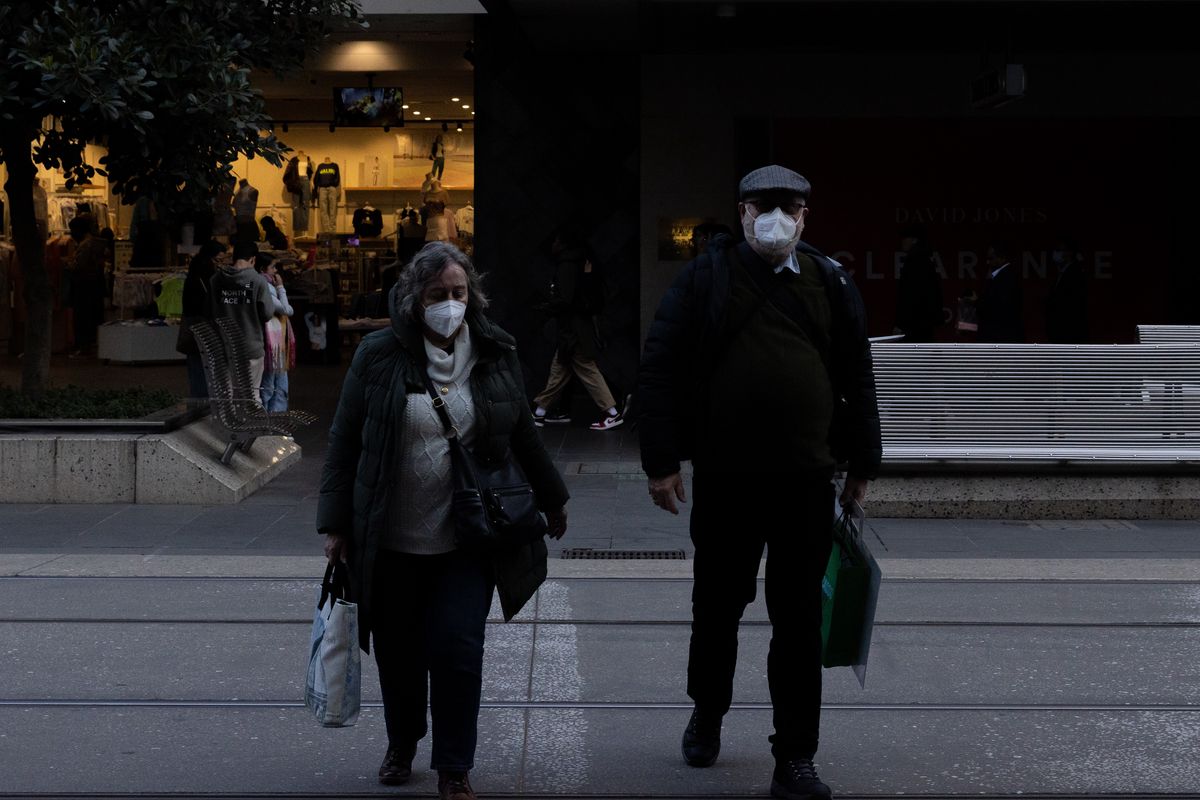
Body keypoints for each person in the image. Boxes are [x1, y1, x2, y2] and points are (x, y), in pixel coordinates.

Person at [636, 165, 881, 800]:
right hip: (726, 479)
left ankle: (795, 755)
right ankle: (707, 713)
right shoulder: (707, 276)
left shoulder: (830, 282)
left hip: (804, 482)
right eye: (761, 205)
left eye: (788, 206)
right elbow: (659, 366)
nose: (775, 217)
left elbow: (858, 373)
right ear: (741, 213)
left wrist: (861, 467)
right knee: (716, 610)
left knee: (798, 621)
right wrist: (661, 462)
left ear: (806, 216)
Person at [318, 241, 570, 800]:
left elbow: (523, 431)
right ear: (414, 300)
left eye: (458, 293)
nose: (449, 305)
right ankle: (402, 744)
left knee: (458, 651)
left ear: (471, 296)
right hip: (391, 540)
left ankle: (454, 766)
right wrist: (335, 524)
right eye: (437, 295)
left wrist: (554, 499)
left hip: (466, 538)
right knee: (400, 656)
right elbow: (344, 442)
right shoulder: (379, 355)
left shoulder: (494, 351)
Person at [531, 227, 624, 430]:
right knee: (560, 369)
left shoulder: (567, 265)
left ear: (563, 243)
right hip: (577, 327)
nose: (553, 244)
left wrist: (548, 306)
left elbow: (565, 299)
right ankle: (539, 412)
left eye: (556, 240)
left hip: (573, 329)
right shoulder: (582, 261)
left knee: (585, 370)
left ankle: (612, 413)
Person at [209, 240, 274, 402]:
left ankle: (228, 427)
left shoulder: (216, 279)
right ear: (253, 260)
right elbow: (267, 313)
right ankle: (252, 427)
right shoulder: (258, 281)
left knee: (226, 398)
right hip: (250, 346)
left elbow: (208, 310)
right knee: (252, 397)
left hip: (223, 347)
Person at [177, 239, 226, 399]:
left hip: (194, 326)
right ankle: (203, 403)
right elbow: (211, 302)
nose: (219, 264)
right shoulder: (206, 276)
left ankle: (200, 401)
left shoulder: (195, 273)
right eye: (217, 260)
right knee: (204, 366)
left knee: (197, 366)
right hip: (203, 327)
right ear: (209, 258)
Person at [256, 254, 295, 411]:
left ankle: (274, 415)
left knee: (275, 377)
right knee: (271, 379)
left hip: (274, 338)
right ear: (262, 268)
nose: (275, 270)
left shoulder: (264, 284)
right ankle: (270, 414)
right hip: (273, 340)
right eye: (272, 267)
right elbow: (286, 310)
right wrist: (281, 288)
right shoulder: (267, 287)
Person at [893, 224, 944, 342]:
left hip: (914, 322)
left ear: (914, 240)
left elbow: (909, 295)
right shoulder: (925, 258)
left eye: (905, 238)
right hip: (924, 321)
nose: (902, 242)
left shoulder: (914, 260)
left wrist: (900, 323)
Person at [65, 215, 108, 358]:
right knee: (92, 317)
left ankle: (83, 348)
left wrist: (66, 263)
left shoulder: (85, 246)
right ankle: (90, 345)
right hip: (94, 287)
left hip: (82, 287)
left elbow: (77, 266)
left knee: (82, 318)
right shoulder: (98, 243)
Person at [976, 240, 1024, 343]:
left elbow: (996, 307)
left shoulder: (1007, 277)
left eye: (991, 258)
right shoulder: (999, 276)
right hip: (998, 337)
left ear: (1002, 257)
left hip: (1002, 338)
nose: (987, 262)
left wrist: (977, 302)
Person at [1045, 235, 1088, 343]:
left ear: (1069, 253)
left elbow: (1071, 306)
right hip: (1059, 333)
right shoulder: (1061, 274)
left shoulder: (1075, 274)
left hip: (1069, 335)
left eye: (1059, 250)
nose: (1055, 254)